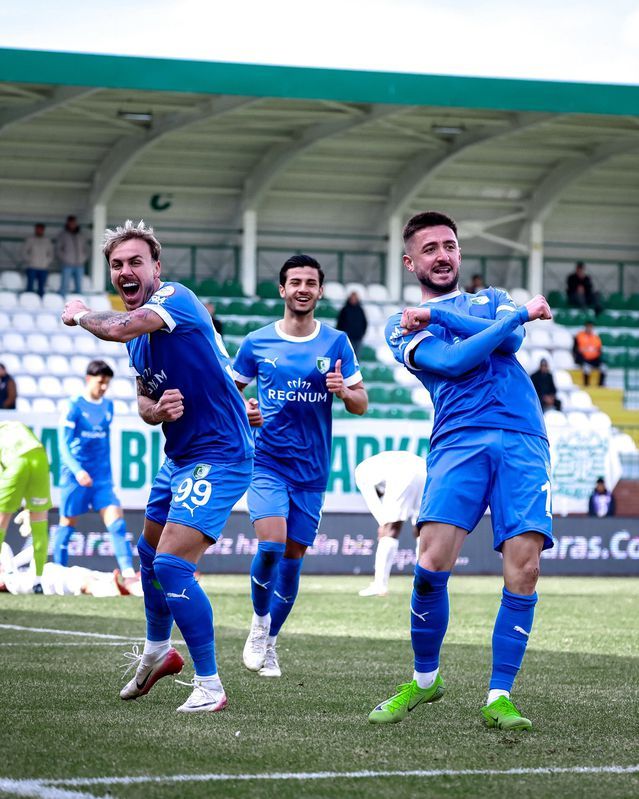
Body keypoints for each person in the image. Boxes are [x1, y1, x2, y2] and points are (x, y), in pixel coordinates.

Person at [369, 210, 554, 732]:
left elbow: (509, 345)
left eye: (449, 245)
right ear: (411, 262)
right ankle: (425, 682)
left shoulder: (489, 298)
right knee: (431, 562)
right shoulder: (397, 324)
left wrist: (452, 318)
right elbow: (453, 364)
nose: (443, 255)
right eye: (429, 249)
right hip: (458, 439)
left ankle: (499, 694)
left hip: (524, 437)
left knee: (526, 567)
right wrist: (511, 319)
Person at [61, 219, 254, 714]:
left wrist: (82, 314)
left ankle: (210, 684)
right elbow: (145, 404)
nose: (126, 271)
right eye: (117, 265)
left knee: (171, 564)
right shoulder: (139, 342)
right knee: (149, 556)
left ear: (155, 269)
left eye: (135, 262)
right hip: (179, 457)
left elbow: (117, 326)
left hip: (222, 454)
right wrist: (159, 411)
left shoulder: (175, 300)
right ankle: (156, 651)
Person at [234, 254, 367, 679]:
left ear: (320, 290)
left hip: (312, 470)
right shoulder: (256, 342)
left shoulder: (337, 342)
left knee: (292, 559)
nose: (303, 288)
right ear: (282, 289)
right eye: (295, 281)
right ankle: (258, 625)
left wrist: (344, 390)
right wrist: (247, 411)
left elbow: (362, 403)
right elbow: (230, 395)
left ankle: (271, 643)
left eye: (310, 282)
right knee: (271, 545)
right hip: (267, 461)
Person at [54, 359, 140, 594]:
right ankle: (58, 574)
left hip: (102, 479)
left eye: (107, 383)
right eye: (101, 382)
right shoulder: (73, 406)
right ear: (89, 379)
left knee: (118, 524)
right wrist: (78, 470)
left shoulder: (109, 407)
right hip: (75, 477)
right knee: (67, 524)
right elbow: (62, 445)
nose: (104, 387)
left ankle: (129, 576)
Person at [355, 450, 426, 597]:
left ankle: (380, 586)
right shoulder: (379, 467)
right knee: (421, 527)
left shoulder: (361, 473)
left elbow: (374, 502)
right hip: (423, 468)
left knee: (390, 530)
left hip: (402, 472)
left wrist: (383, 523)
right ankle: (423, 583)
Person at [0, 421, 51, 593]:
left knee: (1, 522)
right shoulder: (13, 424)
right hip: (39, 456)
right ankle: (38, 582)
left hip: (17, 460)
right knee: (40, 524)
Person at [0, 540, 134, 597]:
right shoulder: (11, 581)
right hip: (45, 582)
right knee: (84, 583)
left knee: (84, 573)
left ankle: (125, 585)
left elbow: (36, 549)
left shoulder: (10, 570)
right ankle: (112, 591)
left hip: (47, 572)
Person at [56, 215, 89, 296]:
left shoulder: (81, 235)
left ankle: (78, 305)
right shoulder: (63, 235)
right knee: (64, 286)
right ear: (68, 223)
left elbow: (87, 248)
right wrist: (64, 258)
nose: (72, 224)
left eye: (74, 223)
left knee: (79, 287)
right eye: (71, 223)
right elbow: (58, 249)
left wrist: (83, 258)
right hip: (67, 264)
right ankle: (62, 303)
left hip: (79, 265)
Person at [21, 222, 54, 297]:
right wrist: (30, 260)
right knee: (29, 287)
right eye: (37, 229)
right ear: (35, 230)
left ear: (43, 230)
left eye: (41, 229)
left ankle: (41, 304)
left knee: (41, 288)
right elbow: (23, 252)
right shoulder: (30, 239)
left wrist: (46, 262)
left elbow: (51, 254)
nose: (39, 231)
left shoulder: (47, 240)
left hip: (43, 268)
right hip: (32, 267)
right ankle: (28, 302)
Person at [336, 290, 368, 357]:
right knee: (347, 356)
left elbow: (364, 323)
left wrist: (362, 333)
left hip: (358, 338)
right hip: (347, 338)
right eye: (352, 298)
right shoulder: (344, 310)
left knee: (357, 357)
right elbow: (339, 323)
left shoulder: (360, 310)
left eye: (355, 298)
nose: (353, 300)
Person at [573, 321, 605, 386]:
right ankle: (586, 385)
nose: (589, 328)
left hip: (594, 359)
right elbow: (575, 349)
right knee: (586, 368)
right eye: (588, 327)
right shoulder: (579, 336)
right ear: (585, 327)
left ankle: (600, 385)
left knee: (604, 368)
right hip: (583, 359)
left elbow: (599, 350)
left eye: (591, 327)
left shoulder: (596, 338)